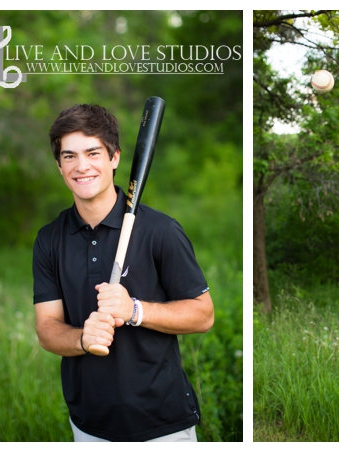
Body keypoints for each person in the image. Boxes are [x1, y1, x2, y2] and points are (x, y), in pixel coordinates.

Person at [32, 104, 214, 442]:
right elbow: (47, 329)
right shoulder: (50, 239)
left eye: (92, 153)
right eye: (69, 156)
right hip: (89, 424)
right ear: (59, 165)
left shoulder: (160, 231)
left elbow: (203, 315)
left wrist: (134, 310)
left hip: (162, 424)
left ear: (114, 157)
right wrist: (82, 340)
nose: (81, 166)